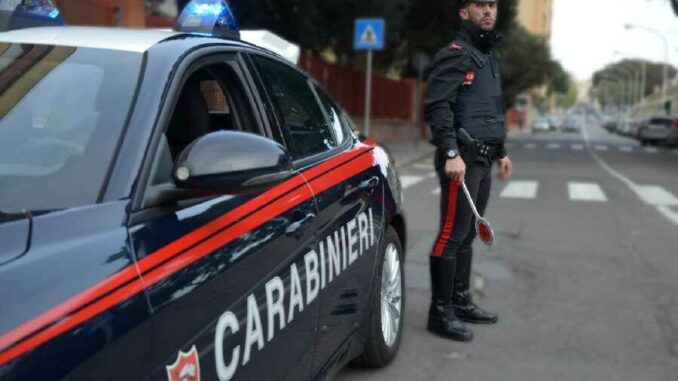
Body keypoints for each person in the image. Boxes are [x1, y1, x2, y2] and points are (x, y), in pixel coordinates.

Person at [424, 0, 513, 342]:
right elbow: (438, 106)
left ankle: (459, 302)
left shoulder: (488, 55)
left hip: (485, 158)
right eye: (480, 5)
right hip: (461, 158)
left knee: (469, 233)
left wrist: (502, 151)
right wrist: (450, 151)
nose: (488, 11)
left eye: (492, 5)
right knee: (451, 235)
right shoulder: (456, 53)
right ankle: (440, 313)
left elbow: (491, 106)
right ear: (465, 12)